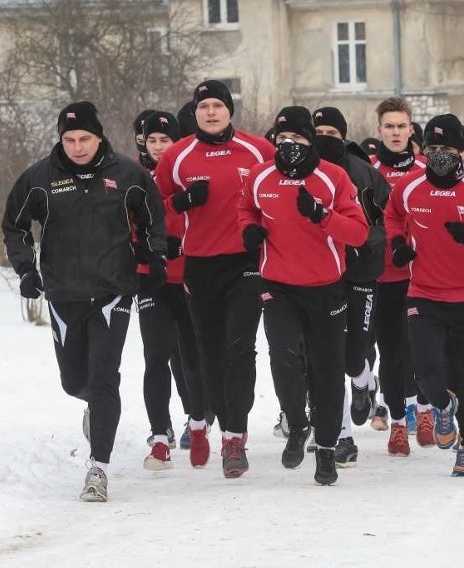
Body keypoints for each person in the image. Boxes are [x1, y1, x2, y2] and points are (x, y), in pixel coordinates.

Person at [2, 101, 166, 501]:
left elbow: (152, 218)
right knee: (75, 381)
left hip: (113, 291)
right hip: (64, 293)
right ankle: (93, 406)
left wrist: (155, 257)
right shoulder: (39, 178)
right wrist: (26, 270)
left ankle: (98, 469)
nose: (77, 146)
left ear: (100, 137)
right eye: (69, 139)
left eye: (85, 139)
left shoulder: (128, 174)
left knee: (105, 377)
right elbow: (14, 225)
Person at [238, 106, 368, 485]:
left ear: (311, 141)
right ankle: (296, 423)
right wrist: (249, 230)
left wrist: (322, 215)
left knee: (328, 371)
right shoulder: (261, 175)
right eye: (281, 141)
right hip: (278, 285)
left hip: (326, 288)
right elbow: (246, 208)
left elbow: (358, 234)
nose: (288, 147)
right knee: (284, 355)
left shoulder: (334, 178)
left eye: (296, 140)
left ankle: (326, 449)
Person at [155, 80, 275, 478]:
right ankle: (208, 422)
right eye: (203, 105)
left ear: (229, 110)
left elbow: (281, 194)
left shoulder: (259, 150)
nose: (210, 112)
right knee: (208, 353)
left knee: (240, 348)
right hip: (200, 264)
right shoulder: (176, 155)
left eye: (217, 105)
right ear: (195, 112)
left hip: (245, 262)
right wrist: (183, 203)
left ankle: (234, 437)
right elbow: (155, 210)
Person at [385, 114, 464, 477]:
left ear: (462, 151)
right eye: (432, 149)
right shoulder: (408, 187)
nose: (439, 155)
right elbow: (393, 217)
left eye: (447, 149)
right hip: (423, 294)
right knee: (425, 374)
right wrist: (397, 244)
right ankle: (442, 408)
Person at [313, 106, 391, 464]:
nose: (324, 139)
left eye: (331, 132)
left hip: (360, 274)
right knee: (327, 356)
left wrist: (357, 243)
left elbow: (381, 226)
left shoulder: (364, 174)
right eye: (318, 132)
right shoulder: (303, 172)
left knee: (352, 354)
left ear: (343, 136)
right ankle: (341, 435)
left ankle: (364, 382)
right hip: (321, 275)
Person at [134, 111, 208, 470]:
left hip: (190, 277)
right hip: (153, 278)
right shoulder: (133, 177)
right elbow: (131, 224)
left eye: (166, 141)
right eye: (153, 141)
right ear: (143, 143)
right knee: (155, 356)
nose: (160, 147)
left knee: (191, 358)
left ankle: (197, 424)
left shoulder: (187, 172)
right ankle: (159, 439)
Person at [370, 97, 434, 452]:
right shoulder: (367, 170)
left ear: (412, 130)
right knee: (391, 352)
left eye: (401, 126)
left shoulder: (428, 168)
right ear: (379, 131)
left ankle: (424, 410)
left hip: (424, 275)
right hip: (383, 276)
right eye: (389, 127)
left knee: (422, 349)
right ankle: (398, 421)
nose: (395, 133)